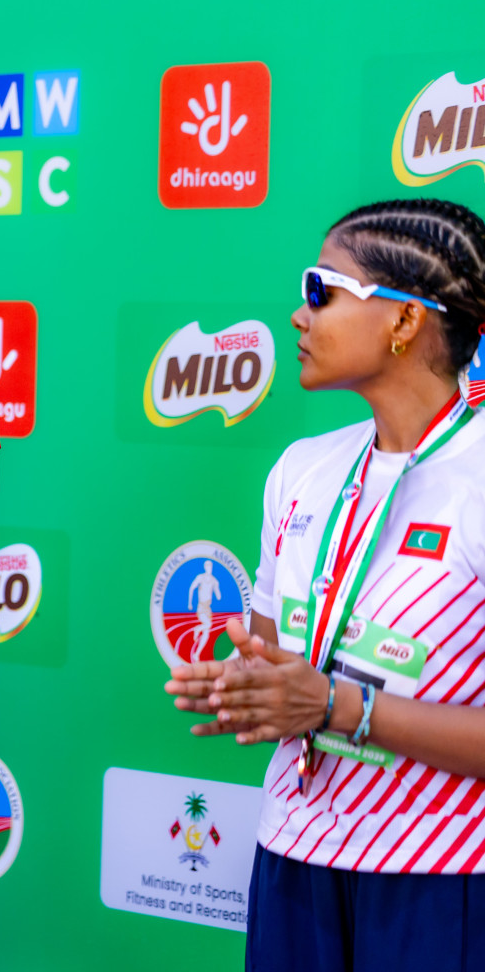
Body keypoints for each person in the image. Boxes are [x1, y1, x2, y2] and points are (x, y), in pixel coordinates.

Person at [165, 199, 485, 970]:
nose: (298, 315)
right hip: (293, 859)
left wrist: (342, 706)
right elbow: (276, 660)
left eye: (321, 291)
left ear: (406, 322)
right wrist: (248, 687)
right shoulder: (303, 468)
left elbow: (326, 698)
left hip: (439, 878)